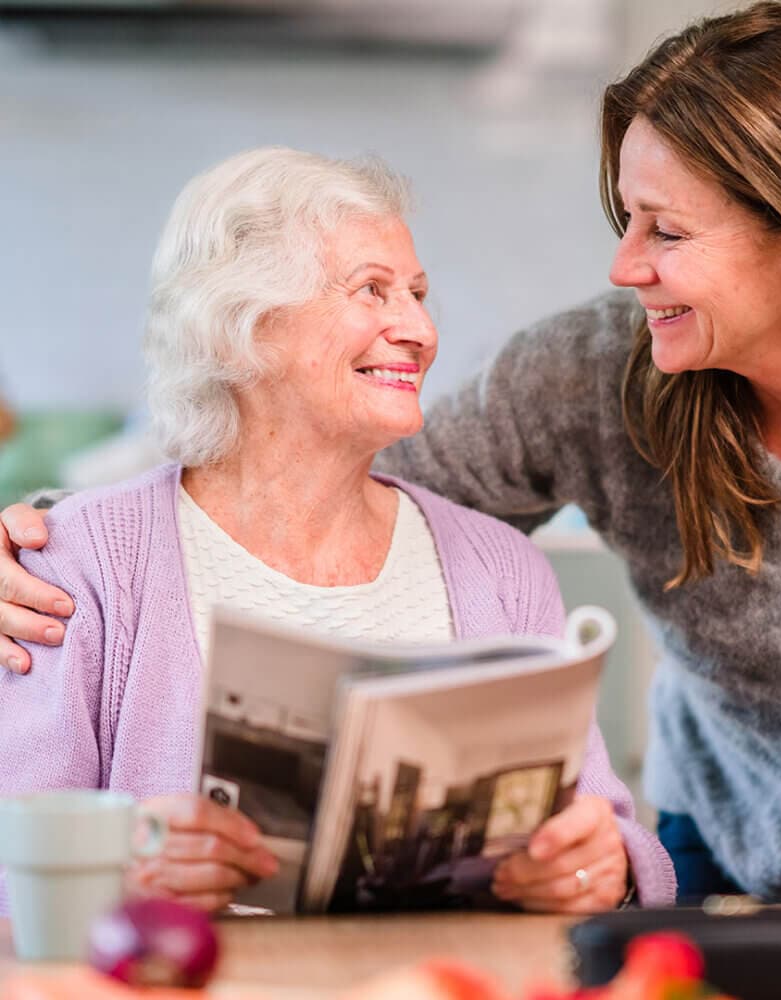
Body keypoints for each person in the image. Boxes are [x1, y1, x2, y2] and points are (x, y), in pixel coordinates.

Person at [0, 3, 781, 996]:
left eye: (667, 230)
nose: (622, 266)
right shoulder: (598, 372)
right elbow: (321, 494)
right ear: (241, 327)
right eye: (626, 220)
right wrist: (50, 544)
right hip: (720, 849)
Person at [0, 147, 674, 917]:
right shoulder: (78, 564)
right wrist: (116, 871)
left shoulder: (501, 567)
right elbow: (11, 860)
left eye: (419, 294)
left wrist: (598, 866)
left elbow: (610, 836)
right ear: (237, 328)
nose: (419, 329)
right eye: (373, 291)